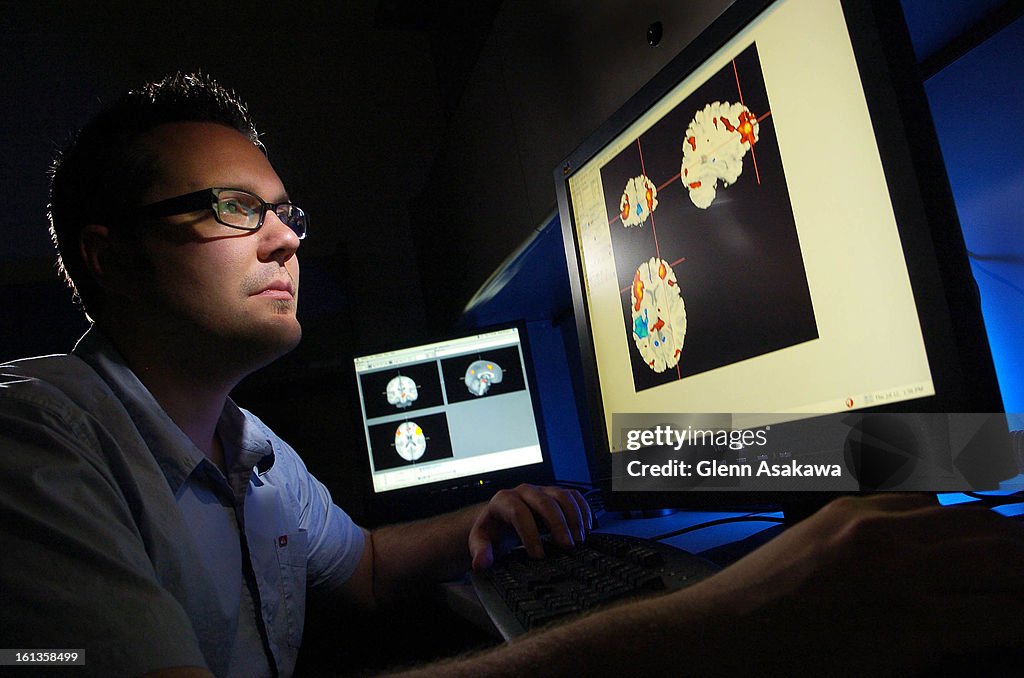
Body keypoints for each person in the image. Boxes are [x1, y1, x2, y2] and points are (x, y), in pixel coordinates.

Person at [0, 73, 1021, 677]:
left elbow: (357, 564)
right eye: (231, 209)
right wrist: (748, 607)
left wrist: (488, 515)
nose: (282, 242)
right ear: (107, 253)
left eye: (285, 213)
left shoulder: (244, 448)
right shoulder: (36, 440)